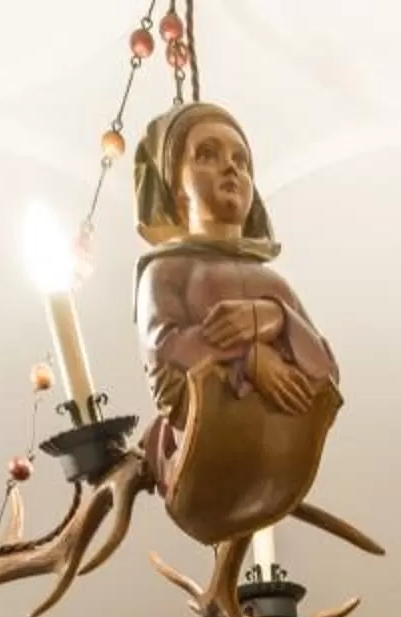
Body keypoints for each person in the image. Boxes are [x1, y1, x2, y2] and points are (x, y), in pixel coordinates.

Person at [132, 101, 340, 519]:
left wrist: (276, 317)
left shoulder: (274, 285)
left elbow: (326, 375)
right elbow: (165, 351)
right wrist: (251, 358)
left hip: (279, 461)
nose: (231, 168)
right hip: (203, 456)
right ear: (177, 190)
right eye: (207, 155)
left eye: (241, 161)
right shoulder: (165, 269)